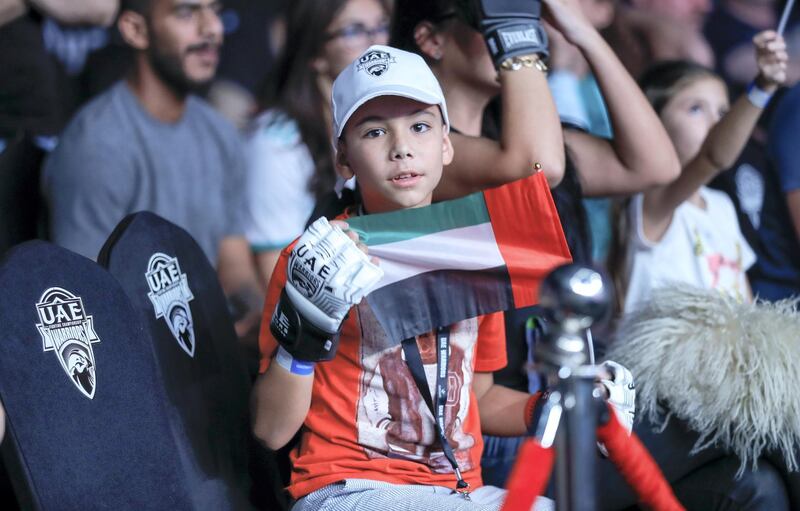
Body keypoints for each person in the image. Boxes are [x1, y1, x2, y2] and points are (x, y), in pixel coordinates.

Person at [251, 44, 588, 510]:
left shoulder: (473, 248)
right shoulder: (317, 256)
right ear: (343, 159)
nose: (402, 147)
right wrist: (301, 336)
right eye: (374, 132)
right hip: (347, 487)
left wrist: (560, 405)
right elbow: (270, 431)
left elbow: (479, 400)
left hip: (459, 489)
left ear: (446, 144)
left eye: (420, 126)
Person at [41, 0, 262, 345]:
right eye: (187, 13)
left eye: (214, 11)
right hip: (135, 361)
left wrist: (257, 317)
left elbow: (234, 262)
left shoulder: (219, 132)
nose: (212, 29)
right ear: (135, 30)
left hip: (210, 352)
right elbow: (84, 302)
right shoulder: (97, 145)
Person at [612, 30, 788, 312]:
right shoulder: (651, 199)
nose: (717, 124)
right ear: (652, 124)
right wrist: (762, 87)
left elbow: (746, 308)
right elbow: (713, 155)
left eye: (723, 113)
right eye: (696, 109)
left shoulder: (722, 206)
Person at [243, 0, 390, 288]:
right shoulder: (276, 142)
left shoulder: (395, 120)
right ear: (315, 53)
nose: (377, 44)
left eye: (382, 26)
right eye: (354, 31)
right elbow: (277, 276)